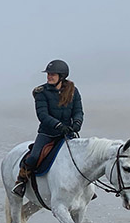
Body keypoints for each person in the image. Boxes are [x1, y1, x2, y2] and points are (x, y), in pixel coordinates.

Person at [12, 59, 84, 197]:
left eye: (52, 74)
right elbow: (42, 115)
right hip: (47, 133)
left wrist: (77, 123)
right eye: (48, 74)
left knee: (83, 157)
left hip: (67, 133)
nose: (49, 76)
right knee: (34, 157)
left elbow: (78, 111)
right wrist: (58, 125)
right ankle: (21, 181)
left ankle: (84, 189)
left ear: (61, 77)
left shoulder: (74, 91)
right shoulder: (41, 92)